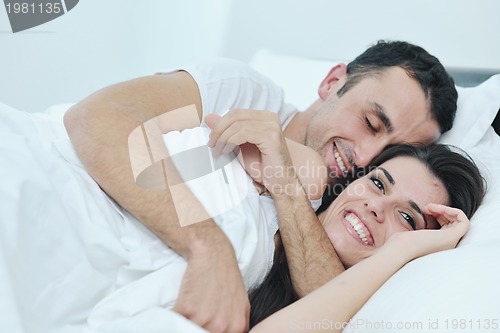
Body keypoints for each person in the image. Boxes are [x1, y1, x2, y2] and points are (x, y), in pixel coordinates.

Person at [64, 40, 458, 332]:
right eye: (371, 124)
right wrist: (208, 247)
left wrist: (288, 178)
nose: (367, 157)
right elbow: (97, 118)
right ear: (333, 81)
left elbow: (330, 300)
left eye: (392, 151)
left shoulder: (342, 209)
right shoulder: (248, 93)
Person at [248, 143, 485, 328]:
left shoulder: (344, 318)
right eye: (378, 184)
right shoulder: (267, 187)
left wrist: (401, 248)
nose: (376, 207)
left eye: (407, 218)